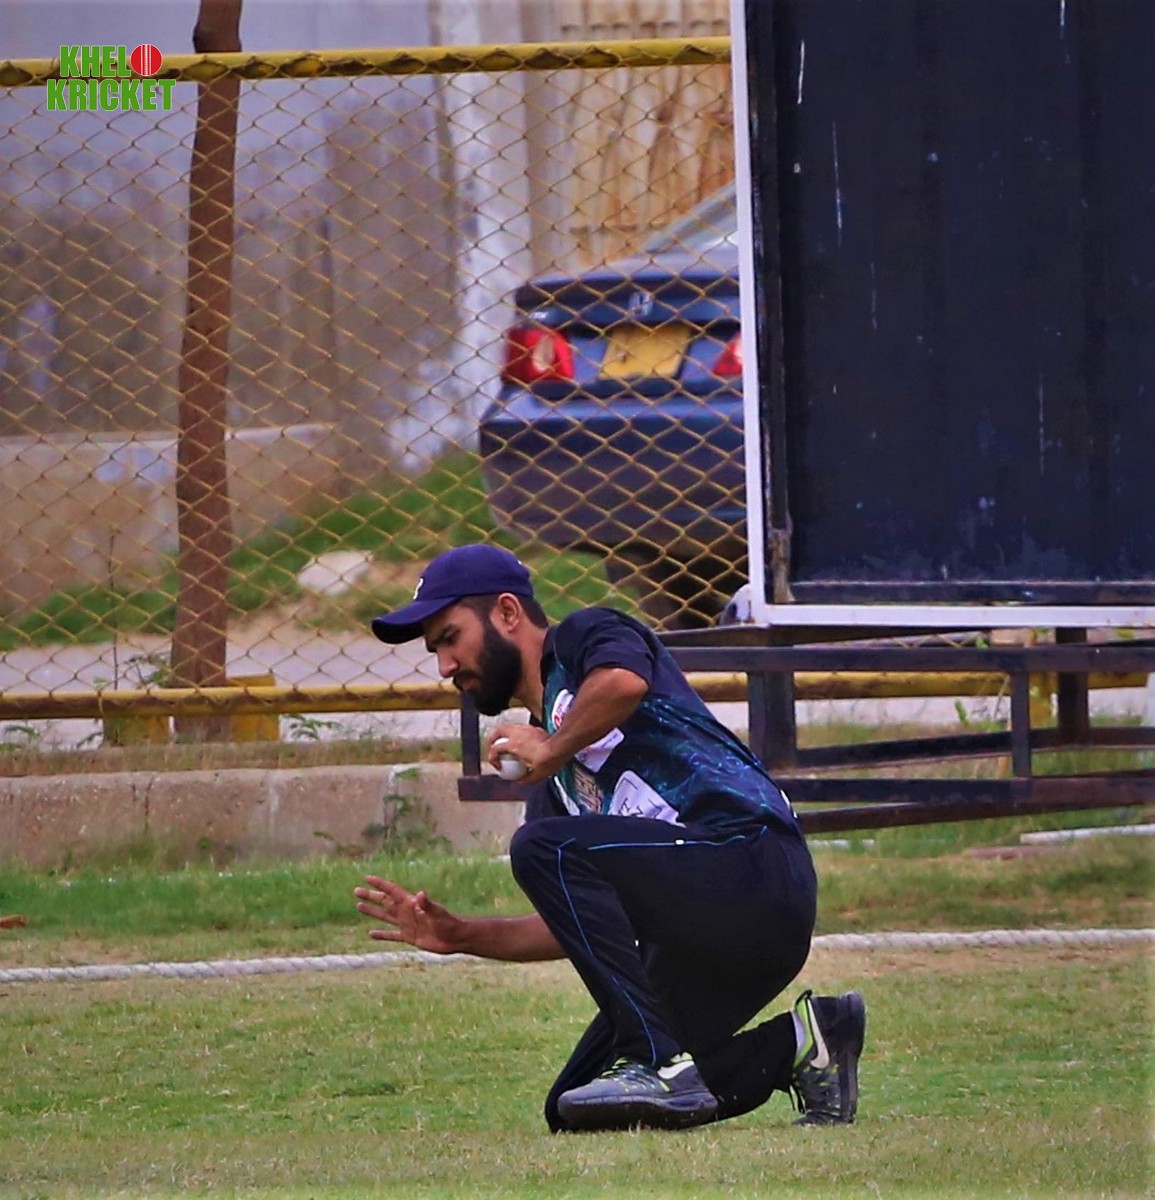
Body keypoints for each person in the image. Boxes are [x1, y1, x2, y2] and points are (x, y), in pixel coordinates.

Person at [356, 543, 865, 1133]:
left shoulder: (584, 637)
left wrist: (550, 746)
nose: (446, 666)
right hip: (705, 941)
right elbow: (578, 919)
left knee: (543, 849)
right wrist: (462, 935)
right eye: (436, 650)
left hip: (755, 867)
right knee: (577, 1106)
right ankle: (806, 1042)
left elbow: (623, 682)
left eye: (451, 638)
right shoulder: (554, 790)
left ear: (507, 613)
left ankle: (658, 1062)